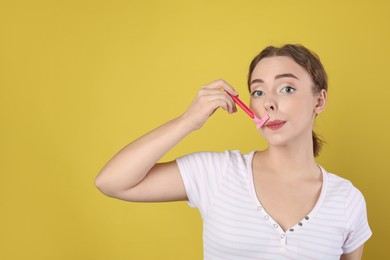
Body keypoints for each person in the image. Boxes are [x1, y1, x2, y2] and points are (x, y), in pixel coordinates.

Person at [95, 44, 372, 259]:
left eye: (286, 88)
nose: (269, 104)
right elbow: (111, 182)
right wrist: (188, 121)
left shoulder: (347, 200)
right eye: (258, 92)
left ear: (319, 100)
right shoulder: (217, 173)